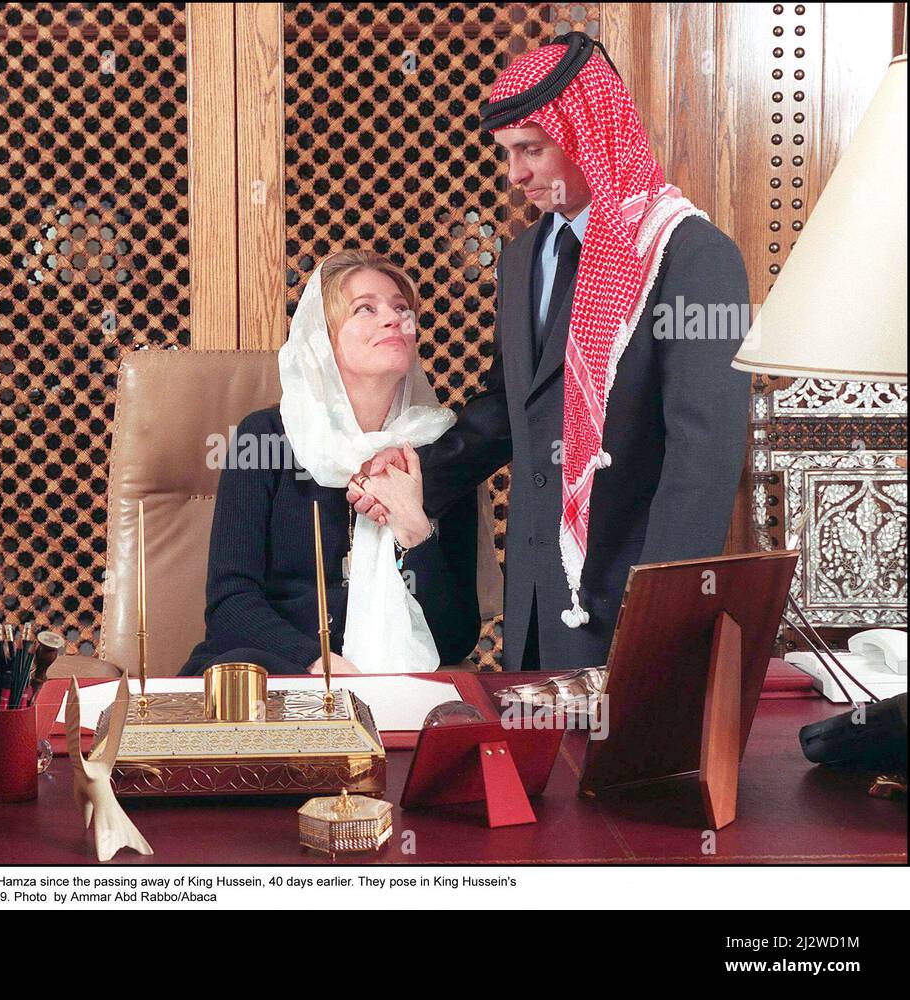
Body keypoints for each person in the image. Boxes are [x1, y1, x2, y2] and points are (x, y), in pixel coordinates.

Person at [350, 33, 750, 671]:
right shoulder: (522, 256)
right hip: (537, 599)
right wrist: (419, 473)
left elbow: (704, 456)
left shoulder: (689, 255)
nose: (516, 175)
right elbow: (512, 406)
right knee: (540, 770)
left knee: (620, 772)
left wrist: (663, 612)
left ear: (589, 133)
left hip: (630, 598)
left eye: (531, 150)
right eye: (507, 154)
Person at [180, 251, 493, 676]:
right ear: (321, 340)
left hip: (397, 685)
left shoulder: (439, 451)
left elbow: (455, 637)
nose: (394, 319)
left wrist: (414, 528)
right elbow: (230, 605)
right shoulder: (265, 437)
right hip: (273, 672)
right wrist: (317, 662)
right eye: (366, 308)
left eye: (402, 309)